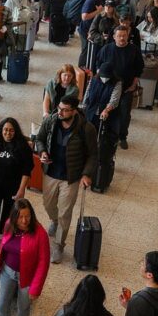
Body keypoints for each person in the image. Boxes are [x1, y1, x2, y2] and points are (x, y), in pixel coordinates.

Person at [34, 96, 97, 263]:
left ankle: (58, 245)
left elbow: (93, 155)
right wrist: (42, 152)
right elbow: (39, 139)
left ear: (74, 111)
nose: (60, 112)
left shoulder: (86, 128)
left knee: (65, 212)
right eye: (59, 108)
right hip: (51, 172)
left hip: (71, 177)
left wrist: (86, 174)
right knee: (48, 205)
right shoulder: (51, 121)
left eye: (65, 110)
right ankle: (54, 220)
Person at [0, 199, 50, 316]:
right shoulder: (9, 224)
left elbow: (44, 263)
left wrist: (35, 288)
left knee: (23, 307)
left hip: (27, 277)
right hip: (7, 272)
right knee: (2, 305)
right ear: (14, 216)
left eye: (28, 216)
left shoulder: (40, 233)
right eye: (21, 217)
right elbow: (4, 246)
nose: (24, 220)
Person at [95, 26, 144, 149]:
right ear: (114, 37)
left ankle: (122, 137)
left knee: (124, 114)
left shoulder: (134, 50)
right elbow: (98, 66)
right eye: (119, 36)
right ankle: (105, 134)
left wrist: (133, 85)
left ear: (128, 36)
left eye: (124, 35)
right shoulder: (106, 49)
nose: (122, 38)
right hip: (108, 88)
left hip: (126, 88)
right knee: (106, 110)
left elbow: (139, 68)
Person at [137, 7, 158, 109]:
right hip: (141, 49)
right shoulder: (146, 22)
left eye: (151, 17)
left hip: (153, 52)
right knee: (141, 74)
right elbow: (137, 30)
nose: (149, 19)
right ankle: (142, 97)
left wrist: (145, 36)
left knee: (153, 75)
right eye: (148, 17)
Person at [82, 61, 122, 134]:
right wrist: (84, 106)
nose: (104, 78)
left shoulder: (117, 83)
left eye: (107, 77)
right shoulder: (93, 79)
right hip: (91, 110)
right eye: (102, 76)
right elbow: (87, 94)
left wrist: (106, 110)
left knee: (102, 134)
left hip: (106, 114)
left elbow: (114, 99)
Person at [79, 0, 106, 68]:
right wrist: (98, 11)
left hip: (92, 30)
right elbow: (84, 16)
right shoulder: (90, 1)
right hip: (85, 31)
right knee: (85, 50)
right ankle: (81, 68)